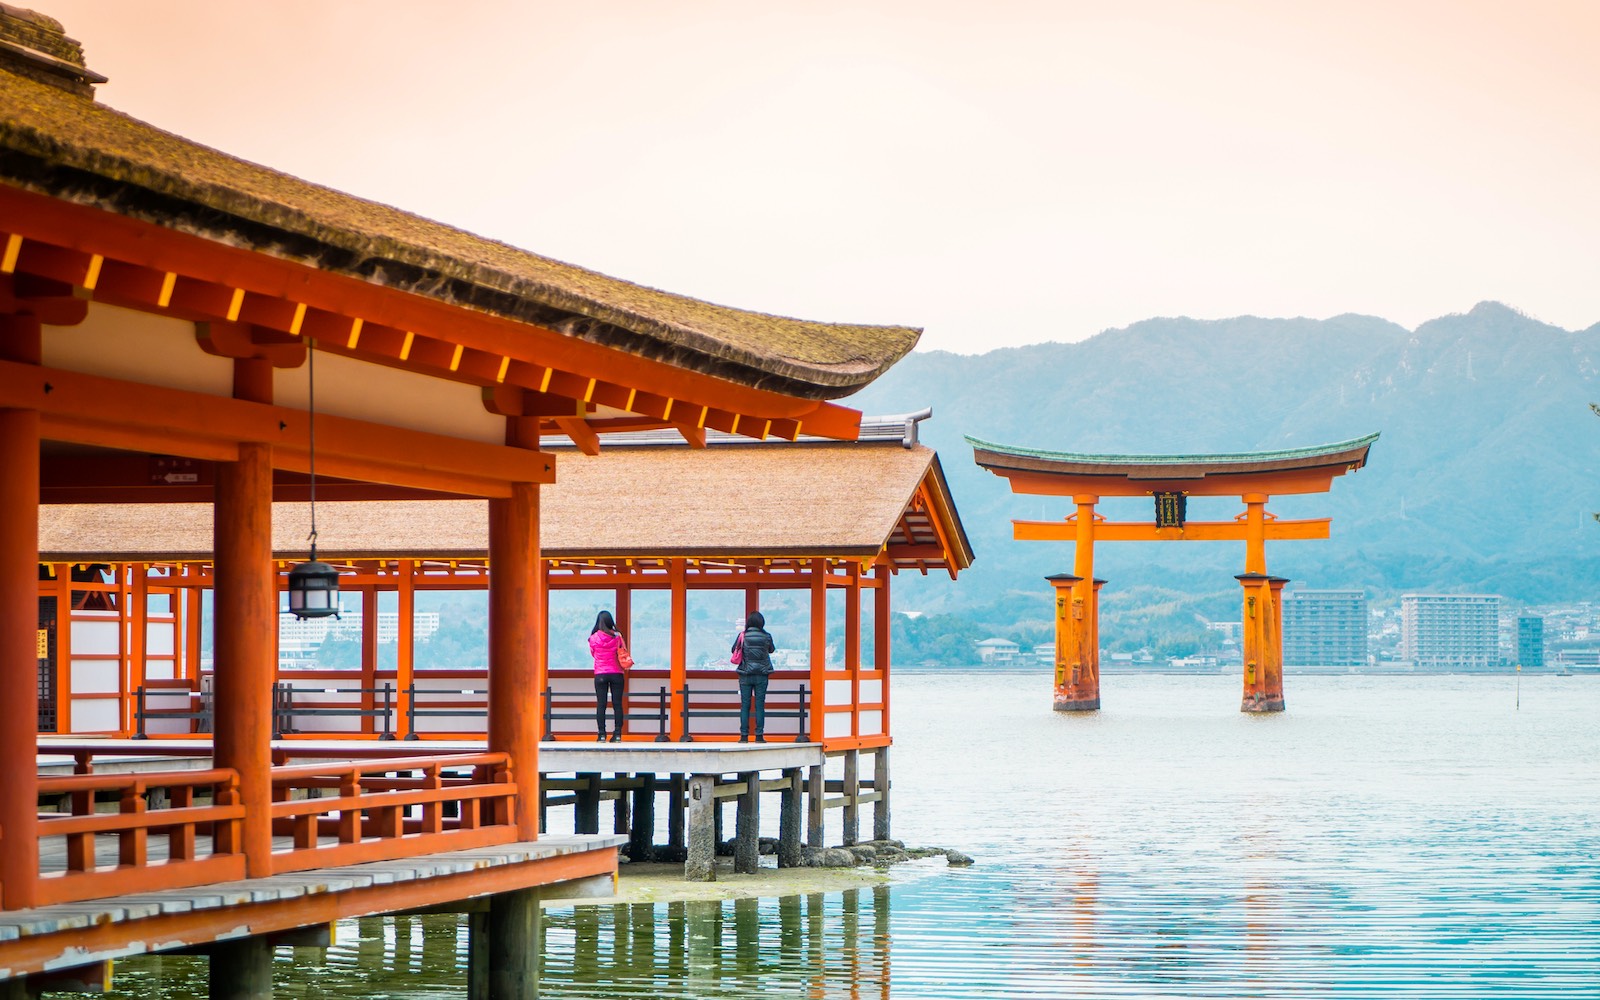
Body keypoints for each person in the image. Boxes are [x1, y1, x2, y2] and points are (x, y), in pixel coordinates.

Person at [733, 611, 776, 742]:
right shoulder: (767, 636)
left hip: (745, 674)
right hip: (762, 674)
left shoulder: (743, 635)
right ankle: (759, 735)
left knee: (745, 705)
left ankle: (744, 736)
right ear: (761, 623)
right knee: (759, 705)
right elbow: (771, 650)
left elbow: (734, 649)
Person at [588, 610, 626, 742]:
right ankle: (617, 734)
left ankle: (601, 734)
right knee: (617, 704)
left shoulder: (593, 638)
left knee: (601, 704)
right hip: (617, 673)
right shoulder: (617, 637)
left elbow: (593, 653)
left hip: (600, 674)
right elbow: (623, 652)